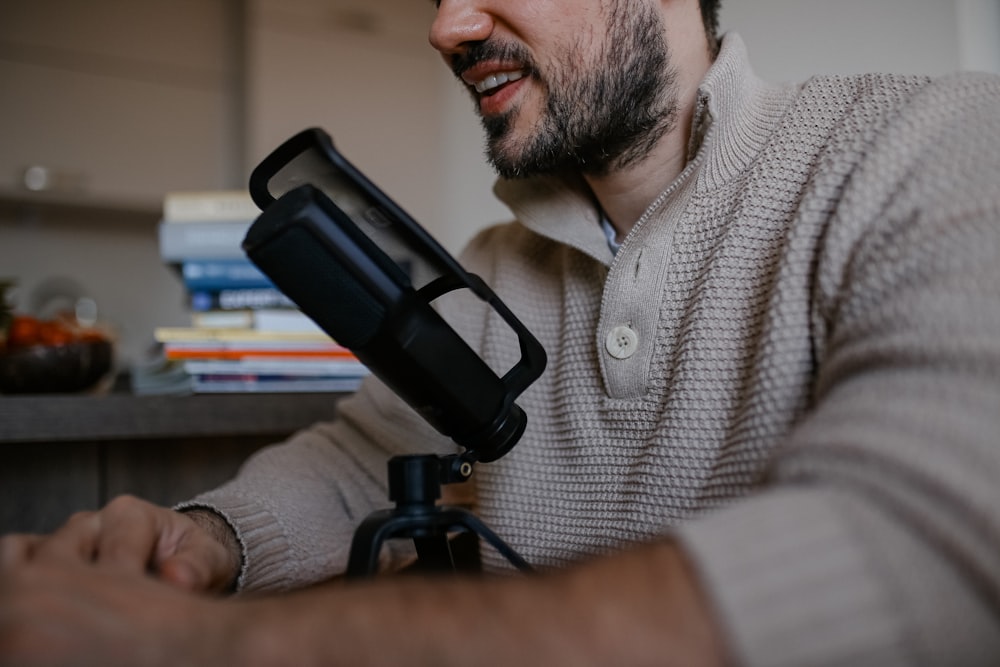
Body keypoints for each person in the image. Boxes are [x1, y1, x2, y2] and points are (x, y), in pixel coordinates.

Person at [2, 0, 1000, 663]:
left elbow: (926, 553)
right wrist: (207, 541)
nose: (446, 24)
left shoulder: (934, 144)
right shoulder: (488, 265)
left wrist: (210, 646)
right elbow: (365, 460)